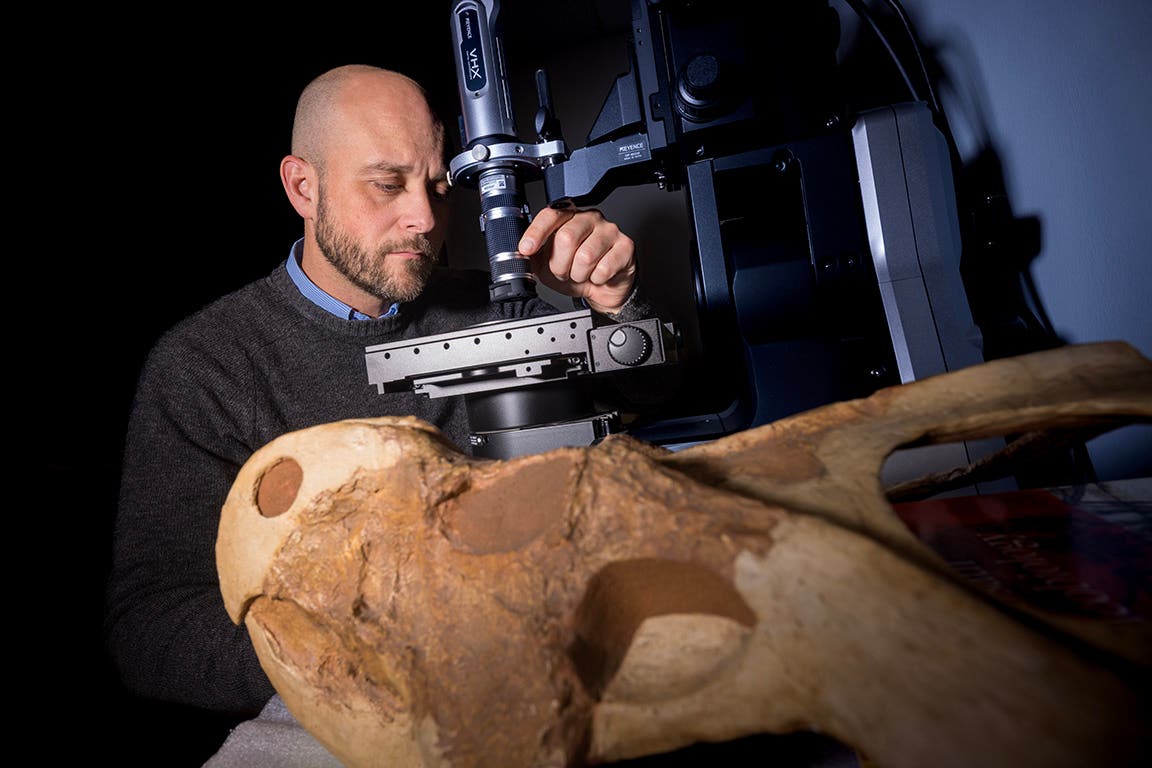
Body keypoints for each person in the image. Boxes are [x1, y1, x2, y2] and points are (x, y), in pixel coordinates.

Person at [103, 64, 653, 719]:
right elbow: (148, 630)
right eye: (386, 184)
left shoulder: (495, 306)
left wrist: (619, 307)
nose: (424, 217)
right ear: (304, 187)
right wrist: (356, 648)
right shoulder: (208, 368)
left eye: (439, 186)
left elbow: (653, 415)